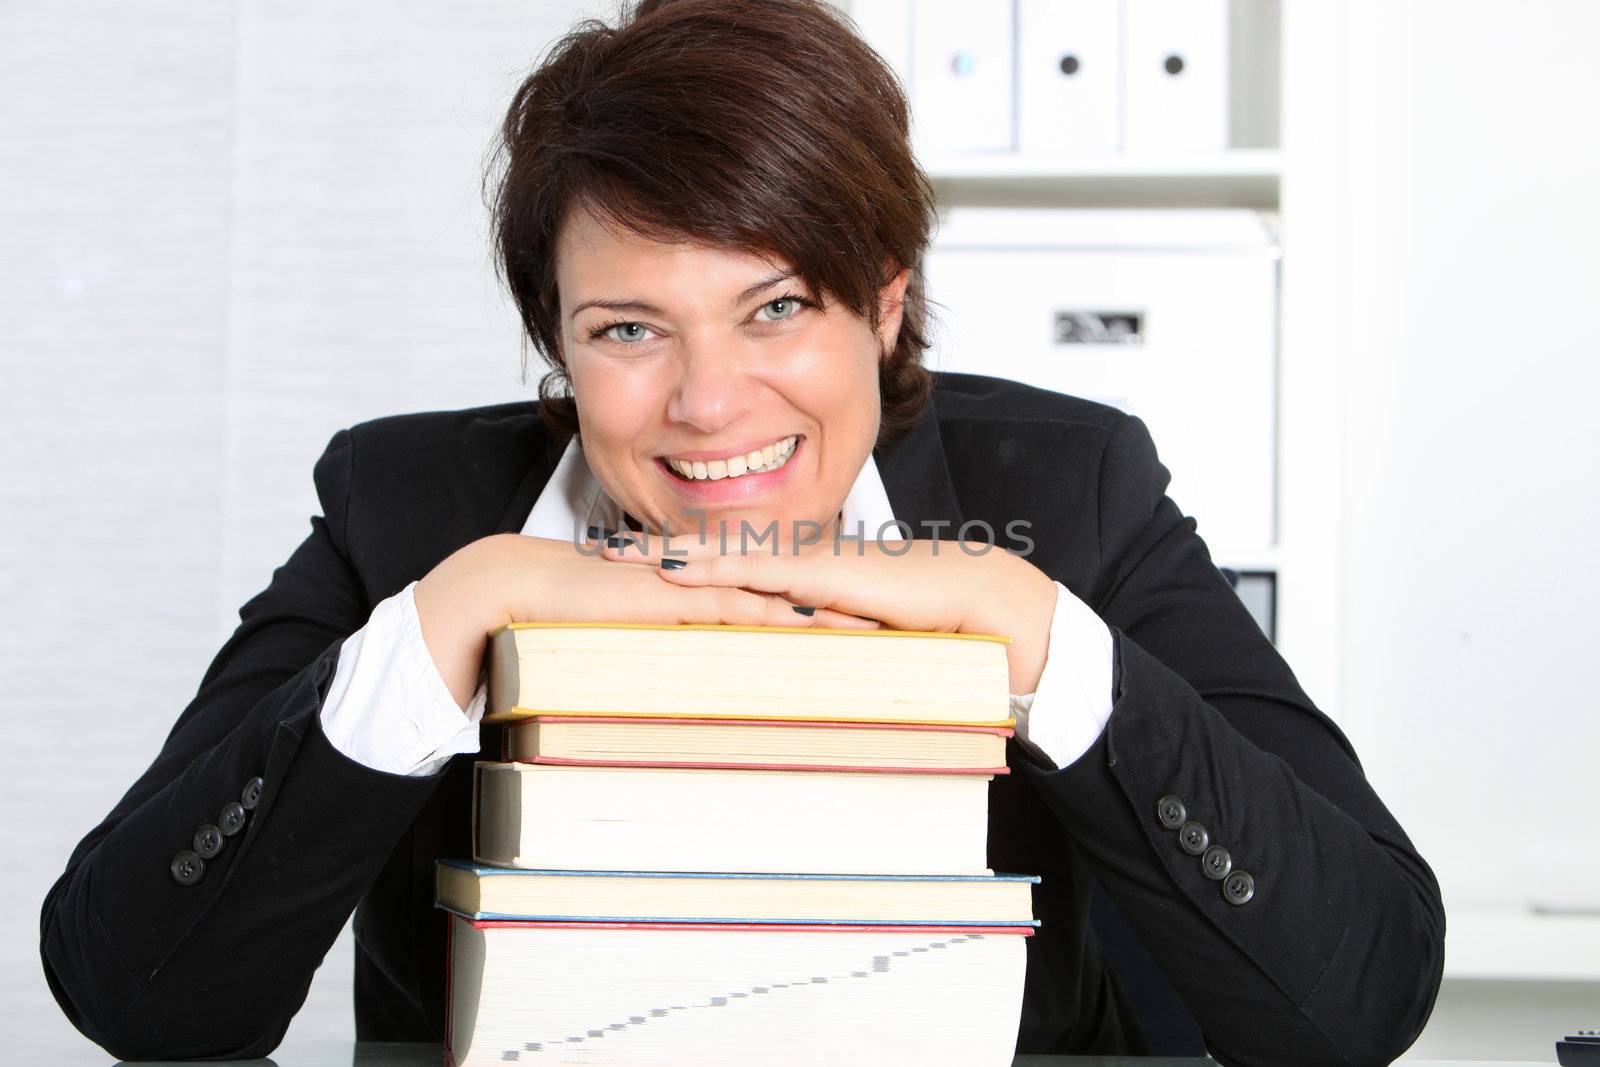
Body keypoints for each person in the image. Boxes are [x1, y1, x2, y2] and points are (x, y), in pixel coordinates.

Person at [38, 0, 1444, 1063]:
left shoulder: (1072, 494)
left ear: (884, 306)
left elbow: (1360, 993)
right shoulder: (409, 510)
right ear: (558, 345)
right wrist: (433, 630)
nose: (708, 405)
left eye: (777, 309)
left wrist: (1036, 635)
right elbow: (137, 995)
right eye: (629, 329)